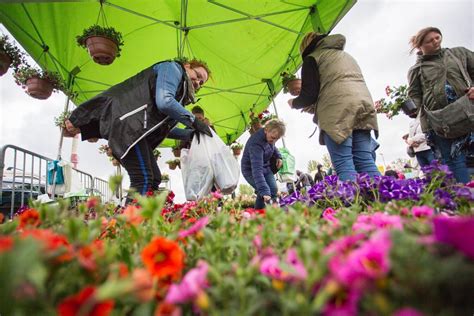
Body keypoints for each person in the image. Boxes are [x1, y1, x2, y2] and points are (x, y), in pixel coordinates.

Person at [64, 58, 213, 197]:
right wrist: (194, 121)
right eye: (198, 75)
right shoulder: (173, 68)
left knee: (154, 179)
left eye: (202, 82)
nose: (198, 82)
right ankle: (129, 222)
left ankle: (142, 220)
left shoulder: (180, 93)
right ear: (187, 66)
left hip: (135, 129)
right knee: (143, 179)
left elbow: (160, 128)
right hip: (128, 125)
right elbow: (165, 101)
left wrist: (190, 134)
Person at [288, 32, 380, 181]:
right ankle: (388, 202)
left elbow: (309, 95)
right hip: (363, 106)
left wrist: (294, 103)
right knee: (365, 160)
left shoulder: (313, 58)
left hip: (337, 112)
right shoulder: (345, 56)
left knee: (344, 164)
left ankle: (353, 203)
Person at [407, 26, 473, 183]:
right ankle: (465, 199)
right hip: (441, 122)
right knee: (452, 160)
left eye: (437, 37)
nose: (436, 42)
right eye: (430, 41)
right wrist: (411, 108)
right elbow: (415, 95)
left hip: (469, 112)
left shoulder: (459, 53)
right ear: (420, 46)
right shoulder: (417, 70)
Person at [241, 119, 285, 209]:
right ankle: (258, 216)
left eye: (277, 139)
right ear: (266, 130)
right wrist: (264, 191)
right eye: (273, 138)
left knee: (273, 189)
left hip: (265, 167)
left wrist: (278, 157)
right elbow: (257, 170)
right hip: (251, 170)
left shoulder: (270, 138)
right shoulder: (256, 145)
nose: (274, 141)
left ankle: (264, 214)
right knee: (265, 191)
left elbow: (272, 146)